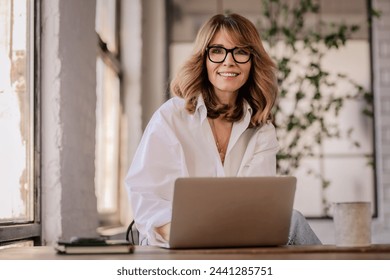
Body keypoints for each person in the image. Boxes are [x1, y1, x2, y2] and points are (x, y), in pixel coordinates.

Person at [125, 13, 321, 246]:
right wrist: (188, 234)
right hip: (172, 240)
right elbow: (145, 197)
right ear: (204, 58)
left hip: (237, 236)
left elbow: (257, 207)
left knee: (293, 221)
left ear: (252, 61)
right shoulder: (171, 117)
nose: (229, 61)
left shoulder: (260, 128)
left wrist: (226, 233)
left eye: (240, 51)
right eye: (217, 51)